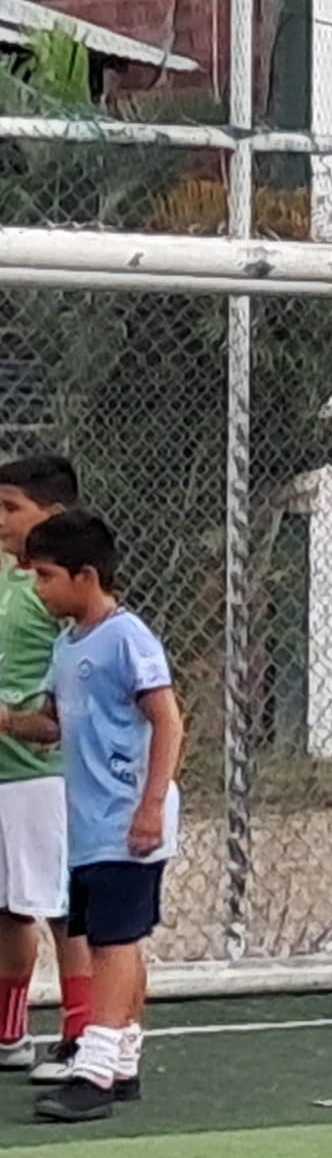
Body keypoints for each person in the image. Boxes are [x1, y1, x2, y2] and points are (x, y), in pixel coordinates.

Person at [28, 509, 177, 1124]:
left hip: (125, 822)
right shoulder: (66, 646)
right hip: (88, 828)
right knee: (111, 939)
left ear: (86, 576)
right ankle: (123, 1061)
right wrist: (11, 721)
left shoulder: (127, 637)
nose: (38, 589)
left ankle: (94, 1068)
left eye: (45, 576)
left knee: (114, 943)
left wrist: (150, 807)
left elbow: (167, 721)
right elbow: (51, 724)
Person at [0, 456, 78, 1082]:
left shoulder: (64, 592)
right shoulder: (7, 576)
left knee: (62, 907)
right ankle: (10, 1034)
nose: (0, 521)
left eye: (10, 508)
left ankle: (83, 1035)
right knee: (9, 907)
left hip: (40, 775)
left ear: (51, 515)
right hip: (3, 773)